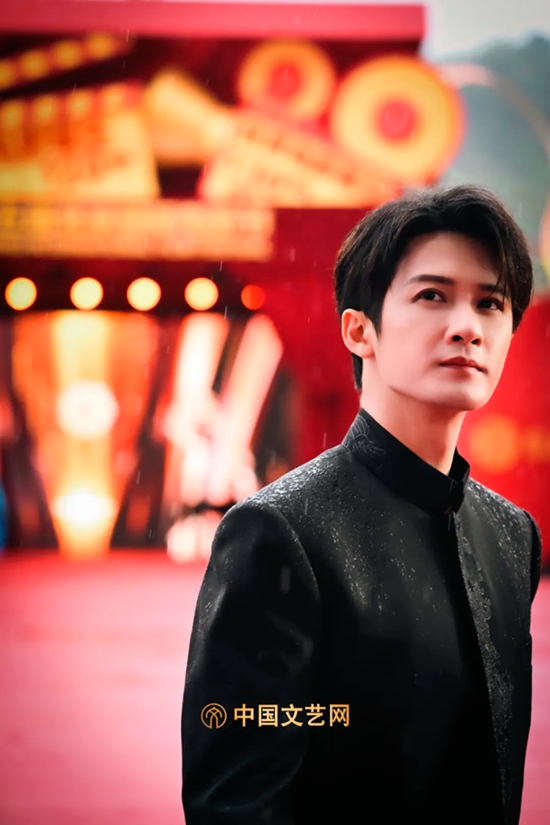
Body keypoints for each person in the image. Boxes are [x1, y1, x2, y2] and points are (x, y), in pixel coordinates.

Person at [181, 185, 542, 825]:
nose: (467, 326)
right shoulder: (279, 532)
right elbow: (235, 803)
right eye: (432, 296)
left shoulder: (512, 534)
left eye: (490, 303)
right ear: (359, 330)